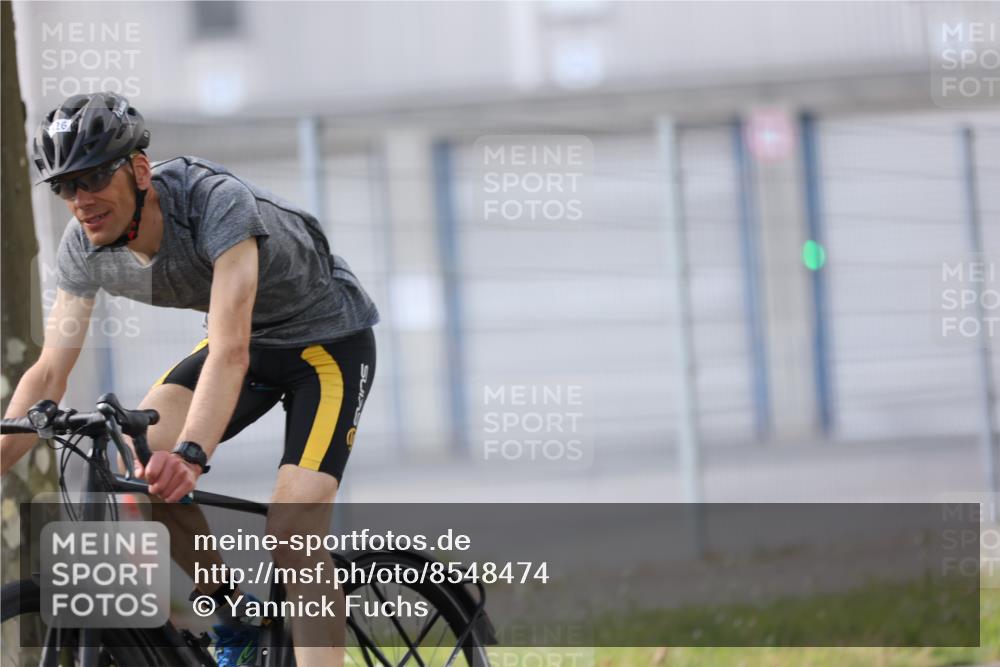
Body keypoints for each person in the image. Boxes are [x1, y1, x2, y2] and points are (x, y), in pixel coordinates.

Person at [0, 91, 378, 667]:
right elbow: (50, 370)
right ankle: (234, 619)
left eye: (94, 177)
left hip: (326, 344)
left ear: (140, 170)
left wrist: (192, 455)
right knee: (141, 462)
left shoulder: (214, 203)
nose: (81, 200)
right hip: (245, 342)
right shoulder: (82, 246)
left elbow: (230, 351)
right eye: (65, 186)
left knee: (292, 531)